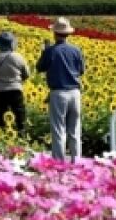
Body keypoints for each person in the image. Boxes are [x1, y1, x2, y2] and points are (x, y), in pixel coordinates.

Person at [36, 16, 85, 161]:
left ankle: (59, 162)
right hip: (75, 93)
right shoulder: (76, 50)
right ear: (68, 34)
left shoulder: (51, 51)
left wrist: (44, 52)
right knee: (74, 129)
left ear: (55, 33)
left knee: (58, 129)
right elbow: (81, 70)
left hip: (59, 93)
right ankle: (77, 161)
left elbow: (40, 67)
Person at [0, 31, 30, 132]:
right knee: (19, 112)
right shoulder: (18, 57)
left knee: (0, 113)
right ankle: (21, 131)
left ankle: (2, 132)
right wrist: (18, 81)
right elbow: (27, 74)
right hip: (15, 90)